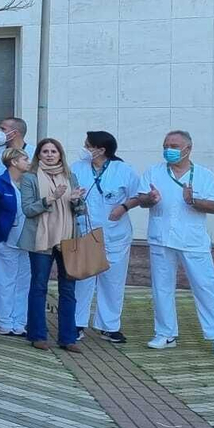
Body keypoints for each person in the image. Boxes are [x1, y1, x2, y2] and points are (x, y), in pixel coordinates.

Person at [129, 130, 214, 353]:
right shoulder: (154, 172)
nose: (169, 149)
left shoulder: (204, 175)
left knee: (205, 286)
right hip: (161, 238)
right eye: (166, 145)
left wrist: (193, 201)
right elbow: (141, 199)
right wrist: (149, 199)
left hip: (193, 240)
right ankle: (165, 333)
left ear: (188, 149)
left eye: (174, 146)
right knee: (162, 287)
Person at [70, 131, 138, 345]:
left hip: (115, 232)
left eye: (88, 145)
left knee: (113, 281)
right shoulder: (77, 167)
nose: (84, 148)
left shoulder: (123, 170)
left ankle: (109, 326)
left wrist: (124, 207)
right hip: (85, 230)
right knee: (83, 279)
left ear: (101, 149)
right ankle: (76, 323)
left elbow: (138, 195)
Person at [16, 137, 84, 352]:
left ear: (60, 154)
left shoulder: (70, 176)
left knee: (68, 288)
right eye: (45, 151)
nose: (49, 154)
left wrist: (76, 201)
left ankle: (68, 338)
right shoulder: (29, 178)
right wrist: (50, 199)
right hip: (41, 239)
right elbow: (28, 209)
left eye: (54, 151)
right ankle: (37, 334)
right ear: (39, 155)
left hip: (68, 238)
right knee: (39, 286)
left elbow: (81, 211)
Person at [0, 149, 31, 337]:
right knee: (4, 281)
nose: (28, 162)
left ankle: (20, 321)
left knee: (23, 282)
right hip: (5, 239)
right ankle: (4, 320)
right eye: (24, 158)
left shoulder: (29, 183)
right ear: (13, 162)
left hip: (27, 240)